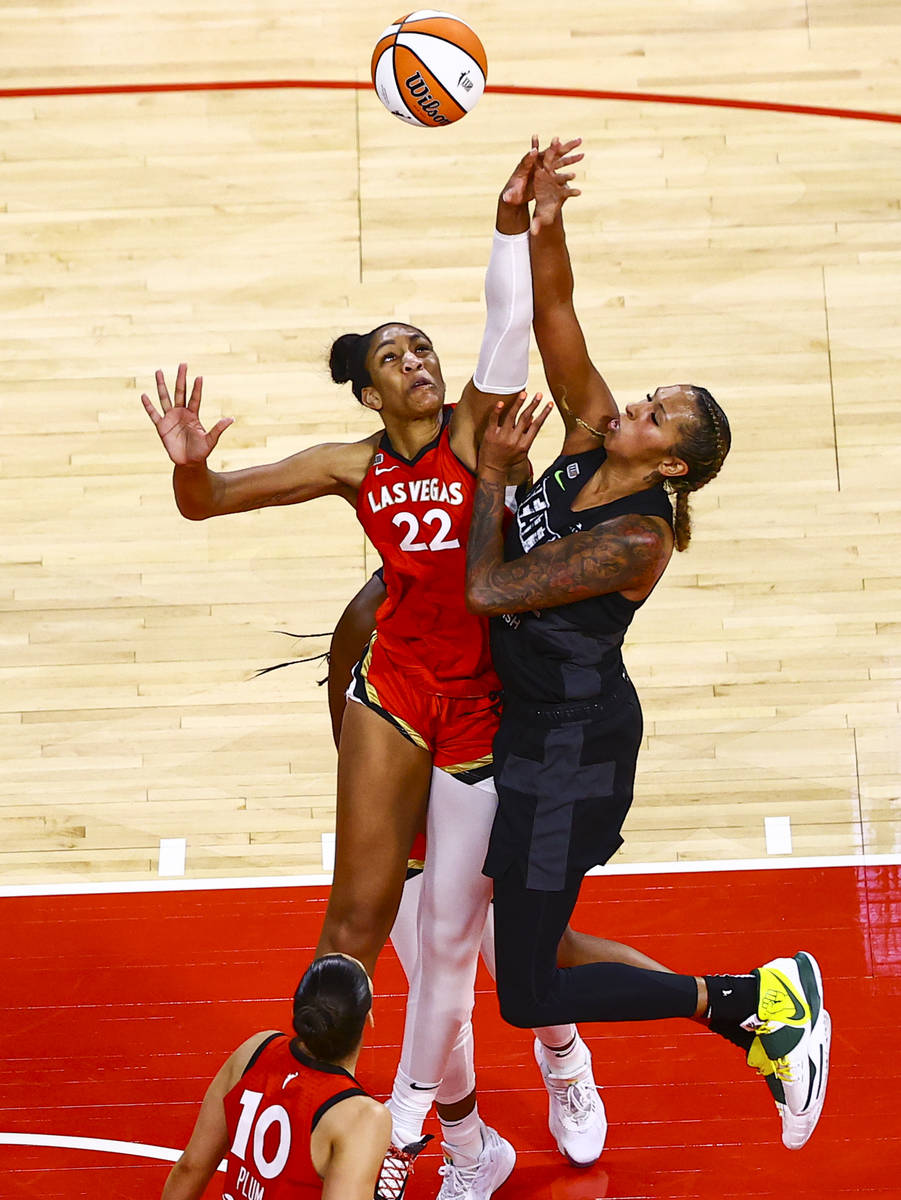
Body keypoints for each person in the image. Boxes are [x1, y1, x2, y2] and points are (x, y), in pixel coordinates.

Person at [142, 142, 609, 1197]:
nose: (418, 358)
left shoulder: (478, 425)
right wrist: (189, 466)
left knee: (488, 938)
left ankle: (556, 1055)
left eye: (422, 346)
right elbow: (208, 503)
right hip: (398, 692)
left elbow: (506, 323)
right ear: (367, 390)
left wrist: (503, 220)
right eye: (395, 354)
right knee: (361, 926)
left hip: (497, 701)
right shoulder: (354, 466)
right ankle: (342, 1117)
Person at [463, 141, 831, 1152]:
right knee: (534, 945)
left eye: (657, 412)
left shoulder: (637, 537)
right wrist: (543, 217)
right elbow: (555, 318)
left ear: (669, 459)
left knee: (527, 992)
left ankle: (748, 1007)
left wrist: (496, 473)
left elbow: (490, 588)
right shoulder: (588, 433)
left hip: (568, 754)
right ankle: (757, 1004)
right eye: (650, 391)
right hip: (533, 729)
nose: (637, 403)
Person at [160, 954, 392, 1200]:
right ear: (368, 1019)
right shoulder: (362, 1118)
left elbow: (190, 1168)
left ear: (296, 1009)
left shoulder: (255, 1051)